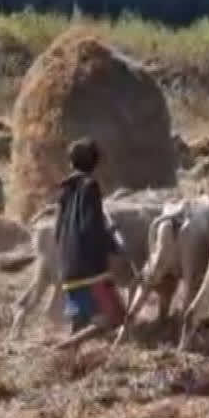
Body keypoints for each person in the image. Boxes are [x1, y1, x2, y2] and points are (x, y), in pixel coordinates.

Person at [54, 137, 127, 337]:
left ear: (71, 163)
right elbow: (91, 226)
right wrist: (113, 244)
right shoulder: (90, 186)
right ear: (95, 163)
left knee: (81, 319)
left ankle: (71, 357)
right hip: (90, 271)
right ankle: (65, 349)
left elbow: (58, 230)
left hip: (67, 267)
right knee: (117, 316)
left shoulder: (64, 189)